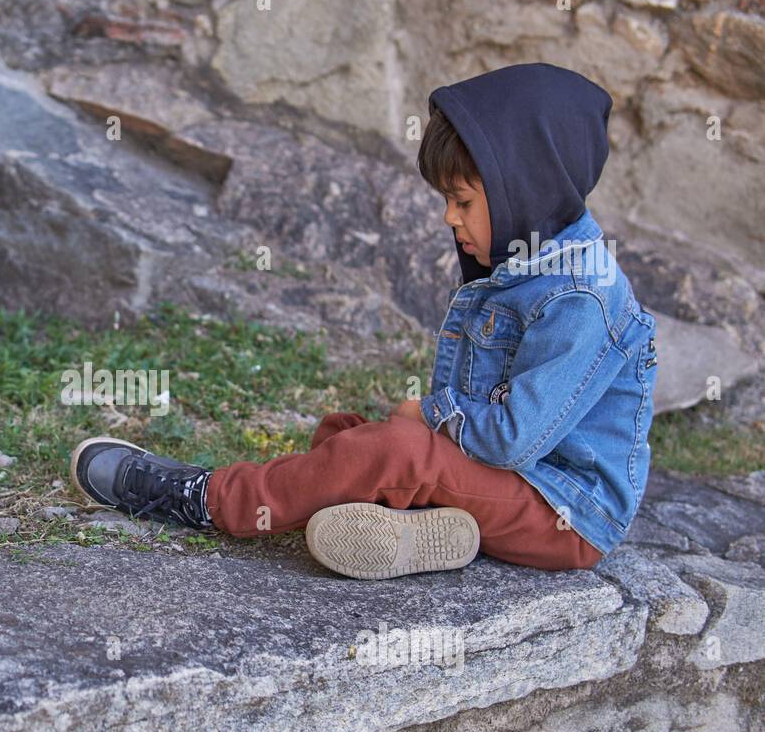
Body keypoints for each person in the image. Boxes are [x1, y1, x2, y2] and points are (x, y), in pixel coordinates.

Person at [70, 63, 658, 580]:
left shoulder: (582, 298)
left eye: (464, 201)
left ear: (524, 190)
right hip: (516, 487)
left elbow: (512, 439)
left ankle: (207, 499)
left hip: (566, 514)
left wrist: (425, 419)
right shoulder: (528, 262)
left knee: (393, 449)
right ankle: (430, 536)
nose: (450, 218)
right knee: (344, 434)